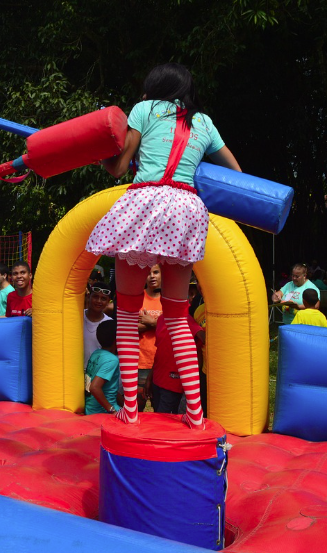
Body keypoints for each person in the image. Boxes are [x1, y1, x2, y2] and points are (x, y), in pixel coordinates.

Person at [86, 62, 241, 427]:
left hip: (145, 203)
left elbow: (118, 168)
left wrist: (102, 153)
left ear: (155, 87)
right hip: (186, 209)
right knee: (178, 316)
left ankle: (130, 410)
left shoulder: (144, 109)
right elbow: (235, 174)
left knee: (126, 314)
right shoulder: (204, 122)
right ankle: (196, 414)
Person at [145, 311, 205, 415]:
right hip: (158, 380)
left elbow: (203, 340)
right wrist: (150, 378)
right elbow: (159, 351)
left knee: (164, 421)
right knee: (158, 418)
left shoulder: (185, 318)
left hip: (173, 384)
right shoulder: (161, 319)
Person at [137, 265, 163, 411]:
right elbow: (130, 327)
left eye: (156, 272)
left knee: (160, 411)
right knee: (136, 410)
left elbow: (172, 328)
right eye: (148, 273)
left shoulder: (168, 299)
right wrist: (159, 322)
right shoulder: (138, 297)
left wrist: (151, 322)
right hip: (140, 362)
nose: (152, 276)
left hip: (161, 364)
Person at [85, 320, 121, 415]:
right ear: (117, 339)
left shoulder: (96, 354)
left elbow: (109, 388)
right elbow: (94, 387)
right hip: (102, 413)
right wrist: (112, 410)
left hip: (90, 409)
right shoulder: (112, 360)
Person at [83, 283, 114, 370]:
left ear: (108, 301)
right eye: (95, 297)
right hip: (72, 373)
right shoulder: (77, 317)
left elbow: (110, 354)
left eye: (103, 298)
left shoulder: (109, 323)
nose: (99, 301)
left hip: (96, 375)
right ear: (89, 296)